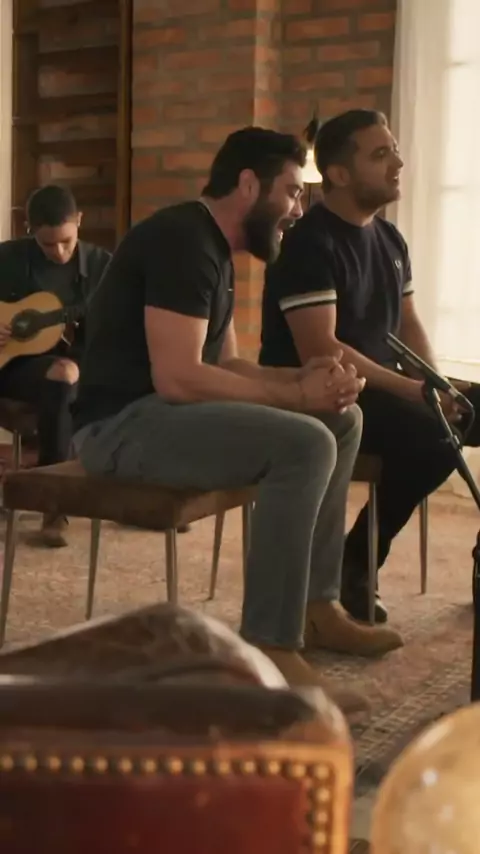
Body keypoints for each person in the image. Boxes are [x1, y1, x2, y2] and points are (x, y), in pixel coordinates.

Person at [71, 126, 403, 713]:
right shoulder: (182, 241)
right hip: (118, 427)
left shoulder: (213, 249)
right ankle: (270, 644)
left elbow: (224, 365)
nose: (297, 209)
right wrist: (295, 399)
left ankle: (317, 606)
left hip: (162, 413)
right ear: (249, 185)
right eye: (292, 192)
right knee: (305, 442)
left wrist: (301, 381)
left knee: (341, 422)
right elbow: (178, 377)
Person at [259, 108, 480, 624]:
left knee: (467, 409)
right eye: (381, 155)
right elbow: (323, 349)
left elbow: (408, 323)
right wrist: (414, 392)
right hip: (322, 392)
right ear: (338, 173)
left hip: (383, 388)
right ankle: (356, 564)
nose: (398, 164)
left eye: (395, 151)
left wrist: (435, 383)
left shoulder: (390, 238)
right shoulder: (310, 243)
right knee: (434, 436)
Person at [0, 185, 111, 547]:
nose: (59, 251)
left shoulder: (103, 267)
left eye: (66, 241)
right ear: (30, 229)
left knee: (64, 374)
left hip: (71, 367)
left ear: (79, 221)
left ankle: (54, 505)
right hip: (10, 367)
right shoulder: (8, 258)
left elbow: (114, 333)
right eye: (48, 244)